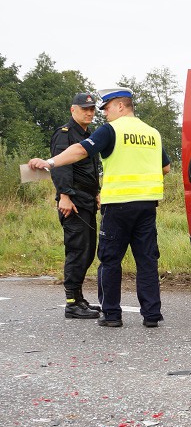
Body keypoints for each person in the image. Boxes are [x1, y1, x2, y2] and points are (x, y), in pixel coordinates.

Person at [29, 87, 171, 328]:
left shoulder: (112, 130)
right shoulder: (152, 133)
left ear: (120, 106)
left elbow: (80, 150)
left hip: (118, 206)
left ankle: (113, 316)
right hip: (147, 206)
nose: (104, 114)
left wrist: (50, 162)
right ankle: (151, 315)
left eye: (106, 109)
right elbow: (165, 168)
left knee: (110, 260)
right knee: (147, 260)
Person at [50, 92, 102, 319]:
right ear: (73, 110)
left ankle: (79, 298)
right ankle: (71, 303)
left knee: (88, 251)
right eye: (85, 109)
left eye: (92, 109)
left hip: (88, 200)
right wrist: (64, 196)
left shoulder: (87, 135)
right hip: (73, 201)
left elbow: (92, 168)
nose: (89, 112)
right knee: (77, 251)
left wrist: (98, 193)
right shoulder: (65, 134)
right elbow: (60, 167)